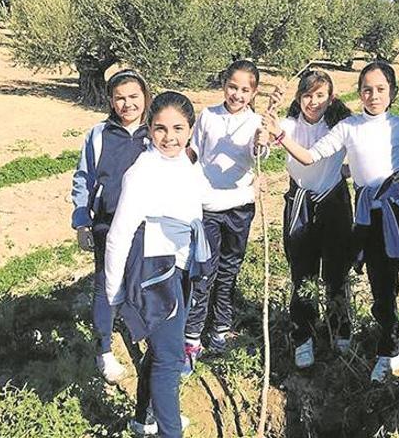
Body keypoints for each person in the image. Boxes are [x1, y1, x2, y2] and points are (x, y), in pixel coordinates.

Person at [265, 61, 399, 382]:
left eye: (380, 89)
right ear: (358, 94)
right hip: (370, 215)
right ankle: (390, 349)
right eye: (367, 89)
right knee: (382, 284)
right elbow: (309, 156)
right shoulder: (348, 127)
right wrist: (278, 135)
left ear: (393, 93)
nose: (373, 95)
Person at [104, 91, 210, 437]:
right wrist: (114, 292)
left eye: (178, 128)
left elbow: (204, 198)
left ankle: (143, 419)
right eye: (160, 128)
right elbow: (118, 235)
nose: (169, 137)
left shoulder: (189, 163)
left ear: (190, 130)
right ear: (149, 129)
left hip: (181, 266)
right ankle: (169, 431)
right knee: (169, 358)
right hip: (155, 272)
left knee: (162, 349)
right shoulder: (142, 172)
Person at [181, 60, 272, 376]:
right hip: (207, 206)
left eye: (245, 89)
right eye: (233, 87)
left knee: (228, 269)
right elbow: (194, 152)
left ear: (253, 92)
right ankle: (192, 337)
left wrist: (261, 143)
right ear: (224, 85)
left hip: (239, 208)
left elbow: (259, 156)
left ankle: (219, 327)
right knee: (204, 269)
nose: (237, 94)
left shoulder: (257, 123)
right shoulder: (208, 116)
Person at [70, 69, 152, 383]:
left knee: (143, 283)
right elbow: (84, 178)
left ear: (145, 96)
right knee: (106, 285)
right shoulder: (98, 134)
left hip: (147, 225)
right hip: (108, 223)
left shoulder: (155, 132)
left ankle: (143, 337)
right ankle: (104, 348)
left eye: (133, 96)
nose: (127, 104)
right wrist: (82, 221)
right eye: (120, 98)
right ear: (110, 101)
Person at [270, 70, 355, 368]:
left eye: (320, 95)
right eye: (308, 95)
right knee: (302, 271)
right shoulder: (289, 125)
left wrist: (348, 172)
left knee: (337, 268)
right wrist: (269, 114)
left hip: (334, 203)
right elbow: (263, 139)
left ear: (331, 98)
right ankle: (303, 335)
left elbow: (364, 150)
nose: (313, 101)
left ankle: (340, 326)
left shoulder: (341, 125)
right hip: (300, 204)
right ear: (298, 97)